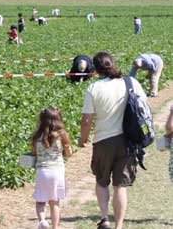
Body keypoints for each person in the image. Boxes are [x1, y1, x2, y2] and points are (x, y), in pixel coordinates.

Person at [78, 52, 148, 229]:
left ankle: (104, 218)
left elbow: (86, 120)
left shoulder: (94, 88)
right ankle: (118, 225)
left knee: (102, 181)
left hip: (103, 140)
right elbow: (143, 108)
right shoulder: (131, 83)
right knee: (120, 186)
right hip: (128, 141)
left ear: (95, 68)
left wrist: (82, 139)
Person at [31, 107, 72, 229]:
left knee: (40, 201)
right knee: (54, 202)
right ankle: (55, 226)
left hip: (42, 171)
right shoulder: (62, 135)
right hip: (57, 172)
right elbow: (69, 153)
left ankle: (42, 221)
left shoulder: (36, 137)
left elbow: (34, 153)